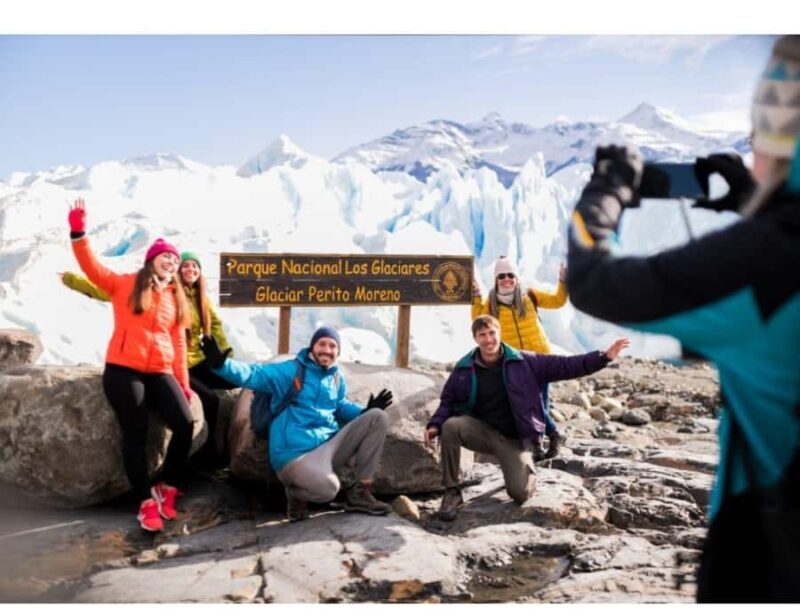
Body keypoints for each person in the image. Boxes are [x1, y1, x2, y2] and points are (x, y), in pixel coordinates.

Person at [565, 36, 800, 602]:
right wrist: (756, 203)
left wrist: (607, 190)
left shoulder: (765, 261)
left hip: (770, 557)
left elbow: (594, 280)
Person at [67, 198, 195, 533]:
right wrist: (78, 233)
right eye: (165, 256)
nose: (171, 261)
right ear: (152, 260)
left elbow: (179, 344)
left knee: (184, 423)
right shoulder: (125, 284)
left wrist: (182, 382)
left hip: (160, 372)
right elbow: (92, 268)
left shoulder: (174, 297)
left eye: (175, 258)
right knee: (135, 432)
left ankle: (166, 487)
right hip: (124, 370)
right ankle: (144, 501)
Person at [424, 314, 629, 521]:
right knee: (450, 426)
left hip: (515, 440)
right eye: (482, 335)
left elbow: (566, 365)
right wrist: (435, 424)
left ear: (499, 334)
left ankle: (526, 467)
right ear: (476, 339)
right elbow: (448, 401)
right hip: (483, 433)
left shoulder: (525, 361)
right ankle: (451, 492)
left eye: (492, 333)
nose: (488, 339)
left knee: (520, 494)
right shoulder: (464, 368)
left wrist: (603, 357)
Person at [200, 326, 394, 521]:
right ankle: (295, 494)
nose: (327, 349)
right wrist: (221, 365)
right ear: (312, 347)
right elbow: (254, 374)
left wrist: (364, 411)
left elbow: (340, 405)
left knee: (377, 417)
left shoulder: (335, 377)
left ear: (338, 352)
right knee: (329, 490)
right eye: (322, 344)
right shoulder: (291, 371)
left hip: (326, 448)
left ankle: (360, 493)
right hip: (295, 454)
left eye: (332, 346)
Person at [60, 251, 235, 466]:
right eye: (186, 266)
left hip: (197, 361)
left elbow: (216, 328)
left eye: (195, 266)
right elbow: (106, 290)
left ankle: (222, 448)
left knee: (236, 384)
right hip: (172, 364)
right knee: (210, 399)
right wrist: (72, 280)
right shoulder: (168, 294)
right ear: (178, 272)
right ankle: (204, 455)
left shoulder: (202, 300)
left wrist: (225, 355)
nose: (191, 270)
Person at [472, 256, 569, 460]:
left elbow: (557, 301)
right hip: (515, 360)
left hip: (541, 357)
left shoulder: (529, 295)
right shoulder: (491, 304)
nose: (506, 279)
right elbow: (478, 320)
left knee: (541, 403)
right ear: (496, 279)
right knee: (526, 404)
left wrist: (563, 282)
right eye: (501, 276)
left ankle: (540, 445)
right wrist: (476, 296)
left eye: (510, 275)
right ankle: (553, 434)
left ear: (516, 277)